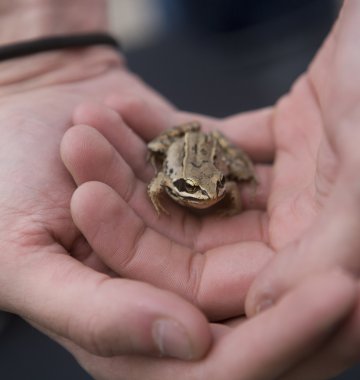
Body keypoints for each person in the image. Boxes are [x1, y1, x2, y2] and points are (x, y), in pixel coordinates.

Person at [0, 1, 358, 380]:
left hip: (209, 154)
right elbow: (157, 184)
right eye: (197, 193)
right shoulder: (170, 184)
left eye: (216, 191)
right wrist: (32, 68)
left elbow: (225, 192)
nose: (211, 197)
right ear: (179, 187)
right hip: (182, 153)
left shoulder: (216, 188)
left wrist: (227, 195)